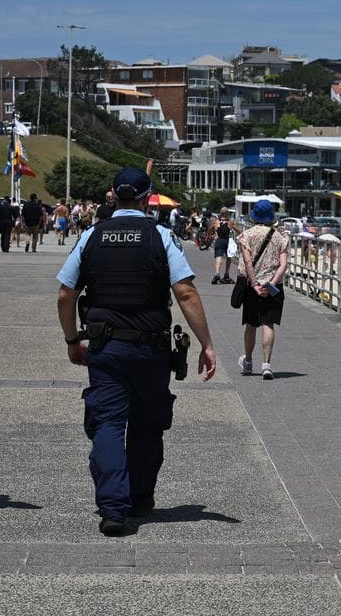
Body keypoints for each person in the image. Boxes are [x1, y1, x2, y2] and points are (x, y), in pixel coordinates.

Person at [55, 167, 217, 536]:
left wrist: (71, 340)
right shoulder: (161, 236)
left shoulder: (92, 236)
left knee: (108, 424)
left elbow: (66, 293)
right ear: (147, 198)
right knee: (147, 425)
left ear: (113, 195)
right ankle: (141, 498)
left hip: (105, 346)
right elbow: (186, 292)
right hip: (150, 348)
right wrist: (206, 344)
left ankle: (113, 507)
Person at [235, 200, 289, 379]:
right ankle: (266, 365)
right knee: (268, 324)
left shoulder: (246, 236)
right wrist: (271, 283)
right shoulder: (280, 237)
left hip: (253, 287)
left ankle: (248, 362)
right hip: (273, 288)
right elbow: (283, 265)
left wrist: (255, 284)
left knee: (251, 324)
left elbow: (248, 263)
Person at [211, 209, 237, 285]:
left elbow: (210, 229)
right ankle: (226, 273)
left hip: (219, 241)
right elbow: (238, 230)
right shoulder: (230, 222)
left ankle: (217, 273)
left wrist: (210, 235)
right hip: (227, 241)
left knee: (218, 257)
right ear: (227, 214)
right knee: (229, 257)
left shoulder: (216, 222)